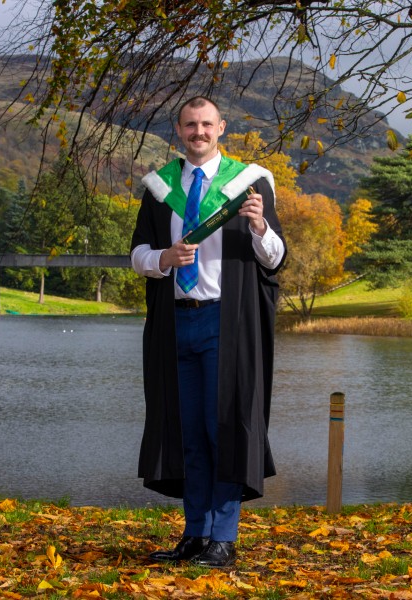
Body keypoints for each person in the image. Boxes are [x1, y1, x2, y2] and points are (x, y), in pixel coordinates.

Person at [130, 96, 287, 568]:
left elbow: (276, 258)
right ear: (178, 130)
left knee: (225, 431)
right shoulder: (159, 189)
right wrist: (163, 259)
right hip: (175, 323)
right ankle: (195, 535)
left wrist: (260, 226)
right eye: (190, 125)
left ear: (221, 128)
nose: (198, 132)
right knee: (189, 434)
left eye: (206, 124)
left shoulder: (249, 184)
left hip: (227, 325)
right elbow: (136, 254)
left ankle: (224, 537)